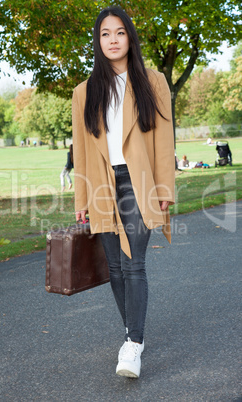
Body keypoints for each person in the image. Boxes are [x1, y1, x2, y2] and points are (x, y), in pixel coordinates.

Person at [72, 6, 175, 378]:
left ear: (129, 37)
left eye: (119, 32)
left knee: (134, 264)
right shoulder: (84, 92)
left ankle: (133, 344)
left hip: (140, 182)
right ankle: (134, 334)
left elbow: (164, 139)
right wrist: (81, 199)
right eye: (105, 34)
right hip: (101, 183)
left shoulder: (153, 81)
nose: (112, 40)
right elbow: (81, 152)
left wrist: (166, 188)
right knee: (114, 267)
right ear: (98, 42)